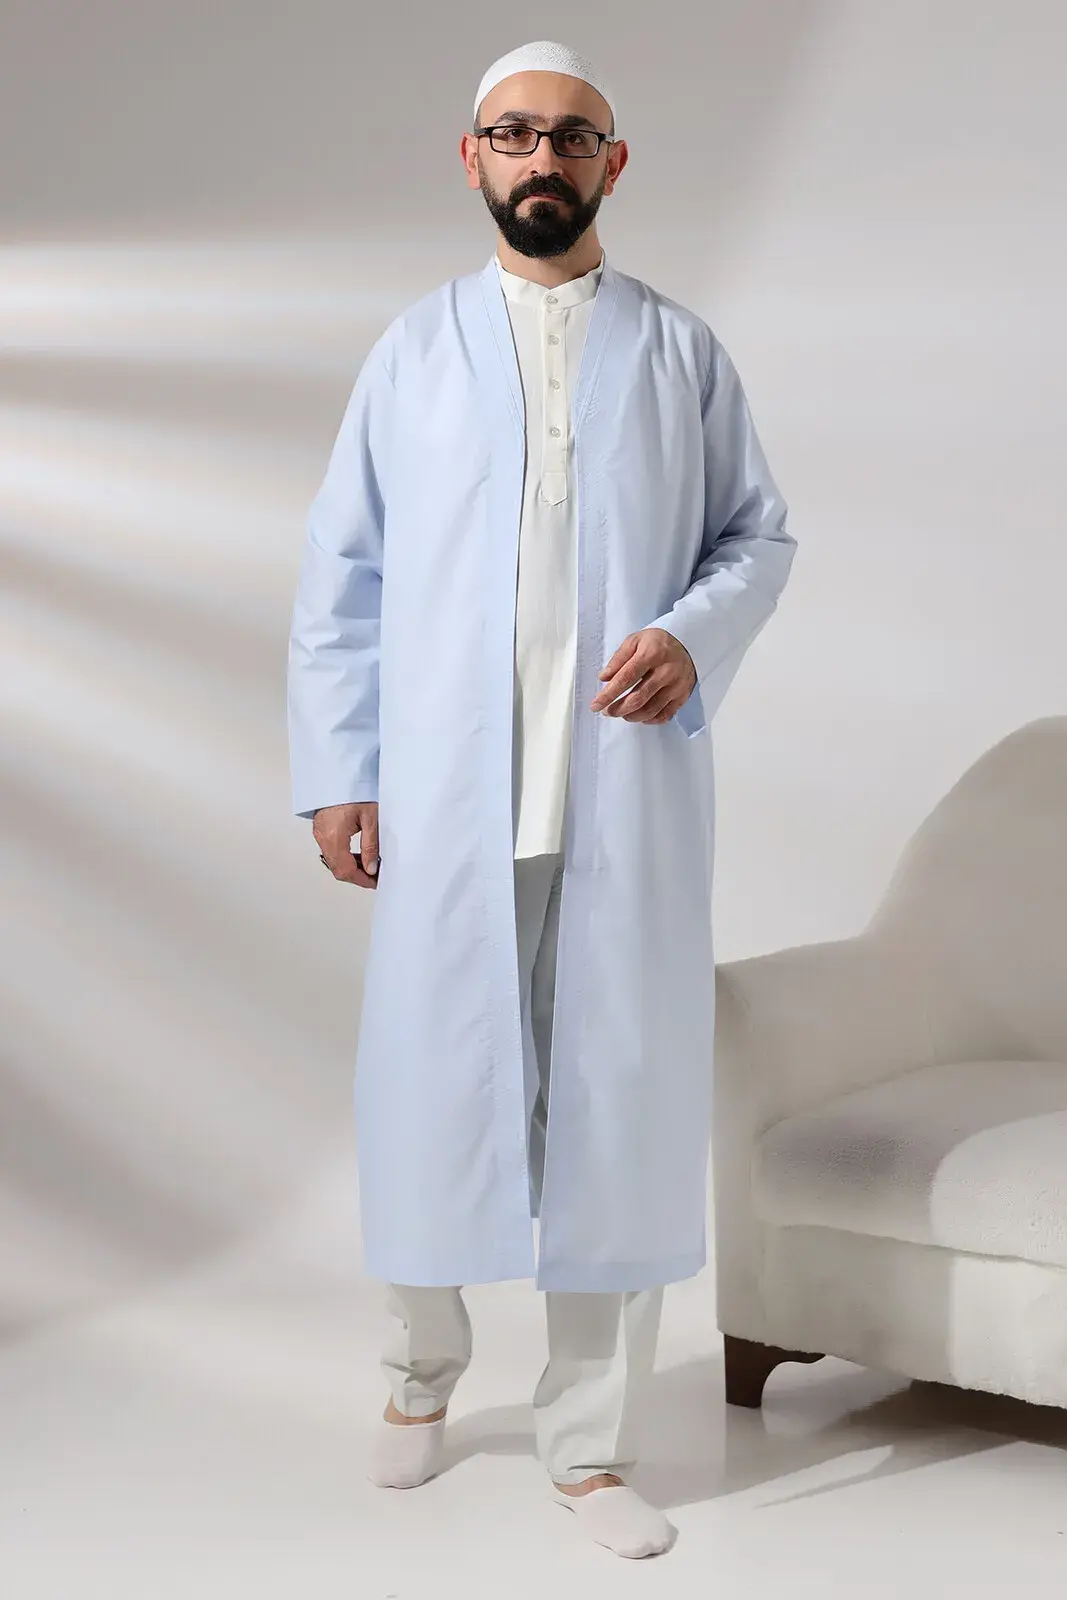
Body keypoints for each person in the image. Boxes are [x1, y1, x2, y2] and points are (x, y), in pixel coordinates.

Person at [287, 38, 797, 1559]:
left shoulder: (681, 353)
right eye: (514, 136)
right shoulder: (413, 354)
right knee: (426, 1088)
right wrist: (340, 769)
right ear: (472, 159)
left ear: (612, 165)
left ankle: (587, 1446)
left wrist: (689, 636)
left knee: (615, 1108)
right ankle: (418, 1374)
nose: (541, 160)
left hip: (619, 794)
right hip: (449, 796)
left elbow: (756, 537)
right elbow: (343, 573)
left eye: (571, 139)